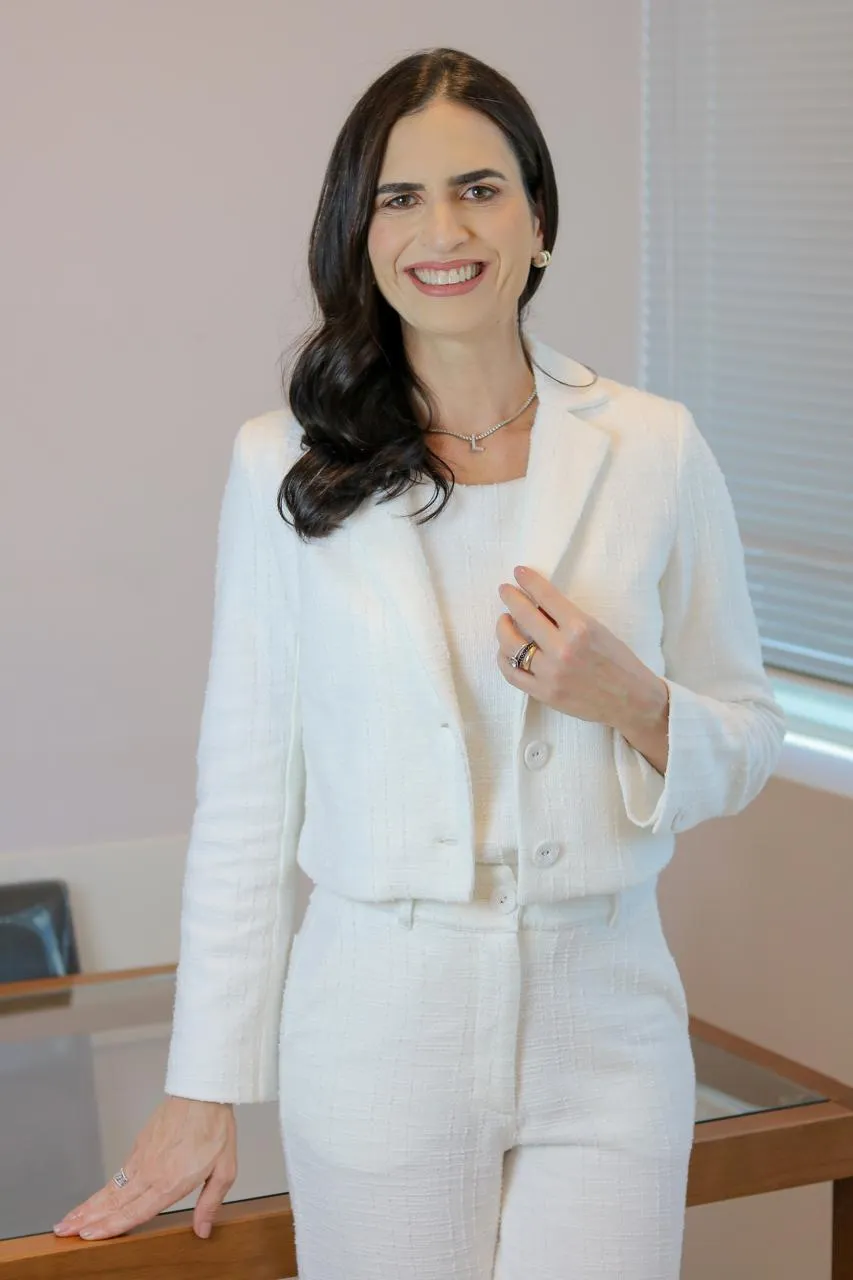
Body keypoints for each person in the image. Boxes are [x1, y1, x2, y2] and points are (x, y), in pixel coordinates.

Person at [54, 46, 787, 1279]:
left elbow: (750, 728)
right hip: (379, 1024)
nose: (442, 230)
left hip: (608, 1019)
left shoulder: (654, 446)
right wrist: (202, 1087)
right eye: (400, 198)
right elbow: (249, 794)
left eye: (479, 189)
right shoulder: (281, 460)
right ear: (361, 231)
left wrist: (636, 702)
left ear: (539, 220)